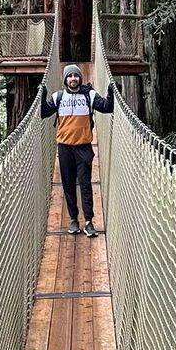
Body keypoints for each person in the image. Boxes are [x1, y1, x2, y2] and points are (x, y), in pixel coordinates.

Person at [41, 65, 114, 236]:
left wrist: (111, 92)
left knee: (86, 184)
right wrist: (42, 95)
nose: (73, 78)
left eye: (76, 76)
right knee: (68, 184)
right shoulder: (58, 97)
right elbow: (43, 113)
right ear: (65, 79)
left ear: (80, 78)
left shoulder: (89, 95)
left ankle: (89, 221)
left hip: (83, 147)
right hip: (65, 148)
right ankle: (73, 219)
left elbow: (107, 107)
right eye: (70, 76)